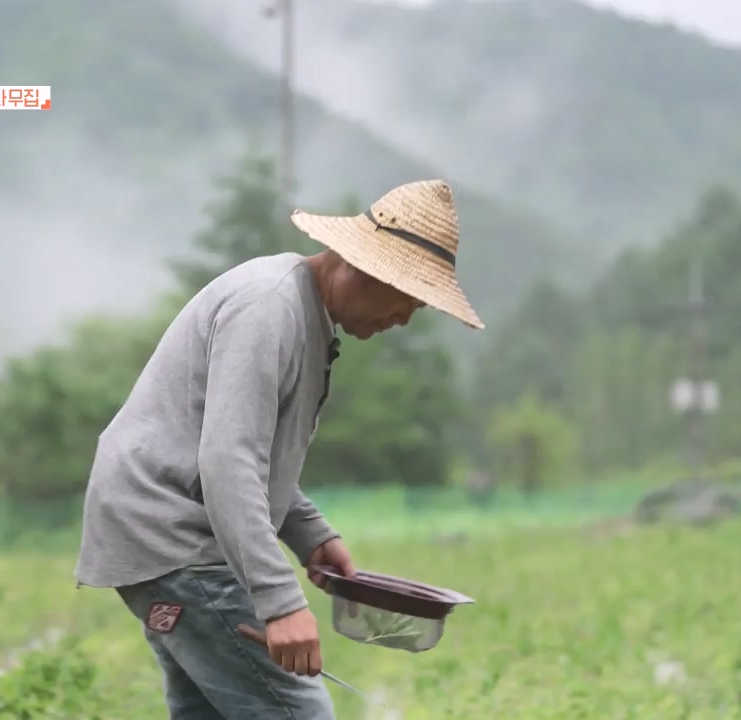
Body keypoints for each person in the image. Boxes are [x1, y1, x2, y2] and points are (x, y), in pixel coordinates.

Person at [75, 179, 484, 719]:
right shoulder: (269, 308)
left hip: (171, 535)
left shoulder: (305, 318)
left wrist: (310, 534)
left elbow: (251, 455)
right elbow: (227, 462)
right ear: (360, 266)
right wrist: (281, 602)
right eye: (405, 296)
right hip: (178, 538)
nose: (405, 317)